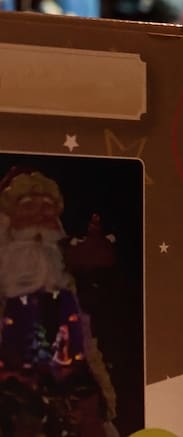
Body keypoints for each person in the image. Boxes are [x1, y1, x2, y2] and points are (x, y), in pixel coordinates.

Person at [0, 171, 117, 437]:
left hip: (65, 339)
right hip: (18, 345)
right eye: (30, 204)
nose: (40, 212)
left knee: (83, 399)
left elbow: (94, 258)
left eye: (46, 205)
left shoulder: (59, 252)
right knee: (21, 406)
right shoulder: (8, 256)